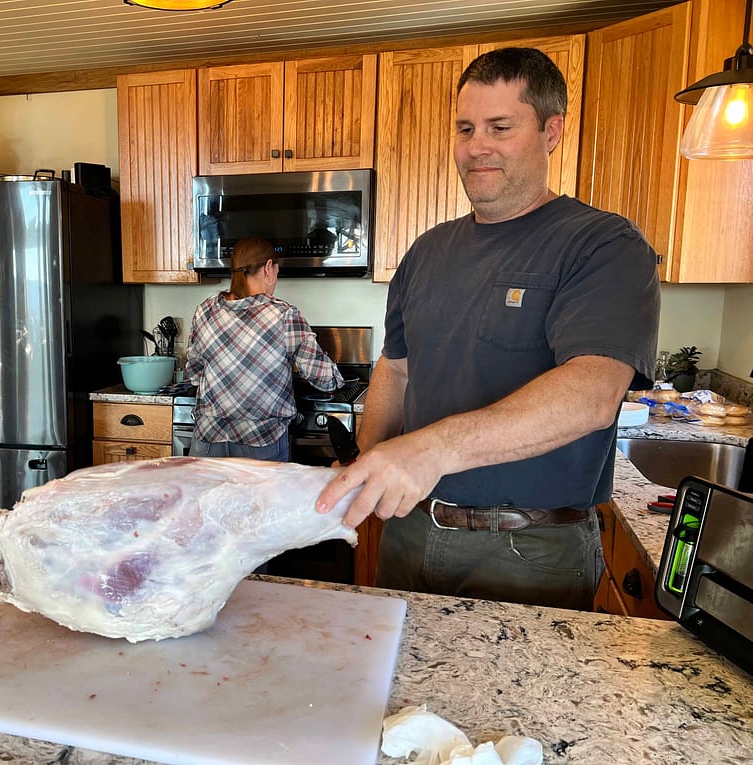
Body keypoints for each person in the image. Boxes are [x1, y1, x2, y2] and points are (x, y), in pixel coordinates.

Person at [315, 47, 660, 610]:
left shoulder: (603, 244)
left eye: (500, 127)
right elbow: (396, 370)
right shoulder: (426, 252)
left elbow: (594, 392)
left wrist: (430, 451)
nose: (477, 146)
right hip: (410, 532)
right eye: (466, 129)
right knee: (393, 669)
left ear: (551, 132)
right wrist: (370, 460)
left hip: (530, 548)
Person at [185, 235, 342, 462]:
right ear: (269, 267)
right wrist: (337, 378)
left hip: (208, 438)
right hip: (261, 442)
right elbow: (324, 378)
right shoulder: (284, 315)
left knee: (205, 488)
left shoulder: (205, 310)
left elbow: (194, 373)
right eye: (277, 269)